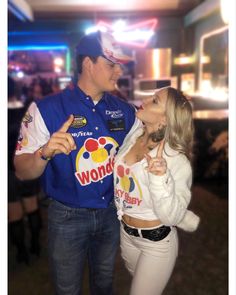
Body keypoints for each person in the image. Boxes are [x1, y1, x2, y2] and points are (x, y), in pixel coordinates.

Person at [14, 31, 141, 295]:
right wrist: (44, 152)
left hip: (111, 213)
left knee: (104, 283)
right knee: (67, 288)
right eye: (111, 64)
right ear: (87, 64)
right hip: (66, 216)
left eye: (119, 64)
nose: (118, 71)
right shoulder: (45, 109)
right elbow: (22, 171)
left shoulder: (124, 110)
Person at [114, 86, 200, 295]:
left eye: (154, 101)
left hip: (157, 243)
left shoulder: (176, 162)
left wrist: (160, 178)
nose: (145, 99)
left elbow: (170, 216)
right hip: (126, 235)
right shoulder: (134, 136)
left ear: (165, 119)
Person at [8, 76, 42, 265]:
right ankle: (35, 244)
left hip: (7, 171)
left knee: (14, 214)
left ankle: (21, 252)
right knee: (32, 206)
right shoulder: (26, 110)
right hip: (27, 164)